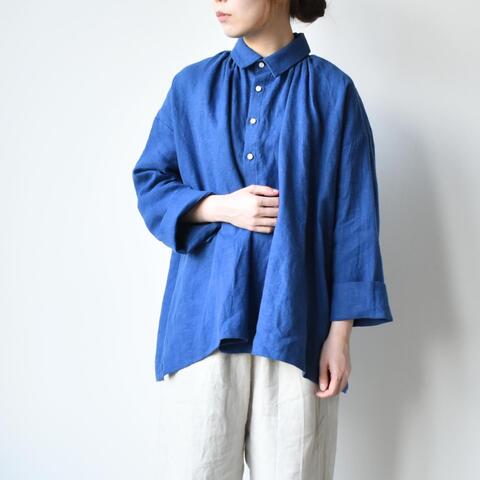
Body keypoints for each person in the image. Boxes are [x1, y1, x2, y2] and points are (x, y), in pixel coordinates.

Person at [132, 0, 394, 478]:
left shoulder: (332, 93)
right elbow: (151, 182)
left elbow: (354, 222)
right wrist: (221, 206)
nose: (218, 2)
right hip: (204, 327)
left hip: (297, 327)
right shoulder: (192, 88)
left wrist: (340, 337)